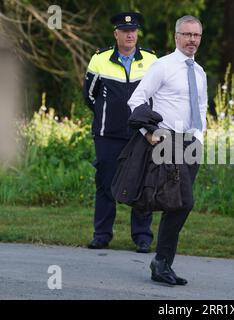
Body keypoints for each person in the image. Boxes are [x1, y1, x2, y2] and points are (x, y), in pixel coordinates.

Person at [128, 15, 207, 285]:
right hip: (168, 141)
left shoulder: (199, 72)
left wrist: (199, 137)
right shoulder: (162, 66)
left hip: (191, 144)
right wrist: (147, 132)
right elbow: (136, 100)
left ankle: (161, 263)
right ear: (176, 37)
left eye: (196, 35)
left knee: (177, 204)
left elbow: (202, 106)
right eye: (187, 35)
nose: (191, 40)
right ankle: (161, 261)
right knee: (184, 202)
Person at [83, 12, 157, 253]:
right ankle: (102, 235)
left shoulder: (152, 60)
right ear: (116, 34)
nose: (130, 35)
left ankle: (143, 237)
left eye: (133, 31)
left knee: (144, 183)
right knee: (105, 184)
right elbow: (90, 96)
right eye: (125, 31)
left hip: (141, 134)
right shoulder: (99, 60)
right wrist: (109, 115)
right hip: (107, 135)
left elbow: (156, 96)